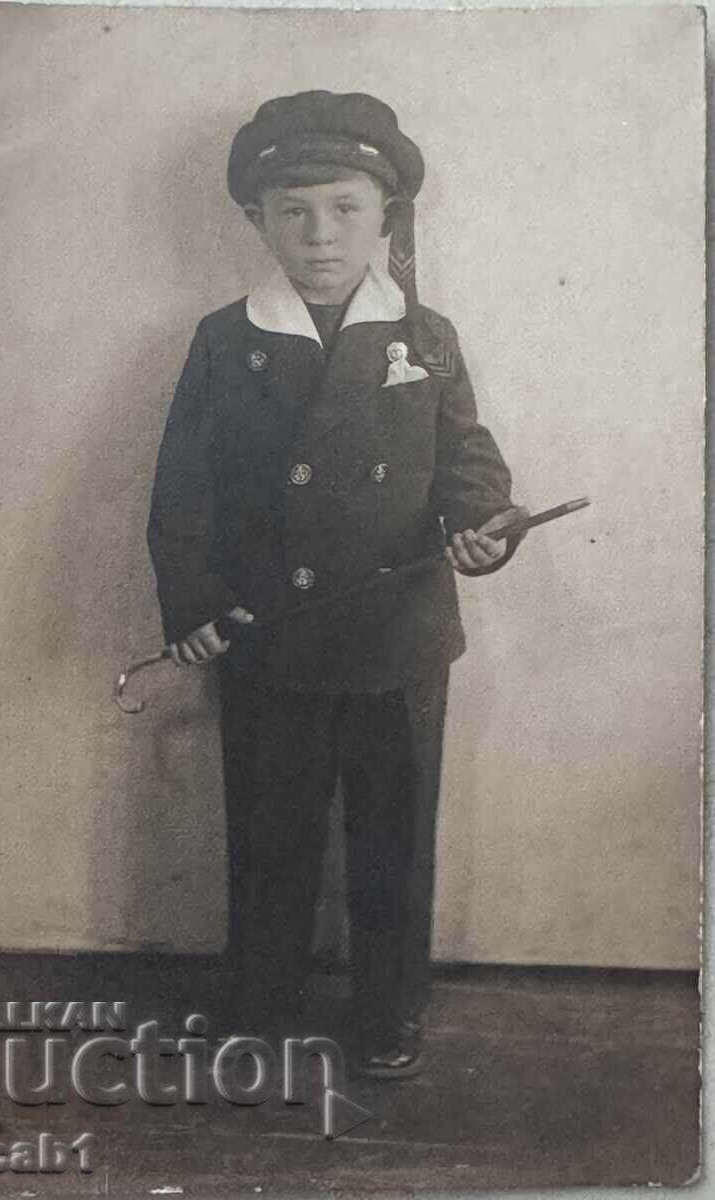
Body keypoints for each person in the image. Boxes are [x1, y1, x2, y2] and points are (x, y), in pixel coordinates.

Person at [147, 90, 526, 1079]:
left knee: (392, 839)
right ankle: (261, 1001)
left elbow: (467, 462)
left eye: (345, 208)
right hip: (269, 627)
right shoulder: (226, 339)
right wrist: (190, 606)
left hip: (397, 634)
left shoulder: (425, 334)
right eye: (294, 210)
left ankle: (388, 1011)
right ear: (258, 219)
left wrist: (482, 528)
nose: (320, 235)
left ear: (385, 218)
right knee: (270, 833)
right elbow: (182, 488)